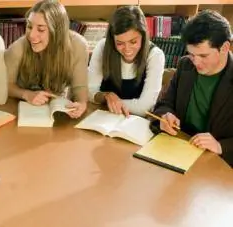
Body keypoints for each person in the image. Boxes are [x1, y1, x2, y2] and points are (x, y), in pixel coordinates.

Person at [151, 10, 233, 167]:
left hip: (218, 167)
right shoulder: (185, 65)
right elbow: (163, 104)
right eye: (191, 54)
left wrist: (220, 146)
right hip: (178, 152)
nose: (195, 62)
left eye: (203, 56)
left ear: (224, 48)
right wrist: (165, 117)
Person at [5, 0, 89, 118]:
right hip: (22, 110)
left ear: (58, 31)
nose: (31, 35)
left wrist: (81, 103)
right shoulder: (17, 48)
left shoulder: (78, 45)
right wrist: (26, 94)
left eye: (41, 29)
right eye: (29, 26)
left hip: (57, 112)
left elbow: (79, 86)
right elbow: (6, 85)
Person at [88, 6, 165, 117]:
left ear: (143, 37)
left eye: (133, 42)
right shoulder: (102, 47)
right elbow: (89, 91)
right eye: (119, 43)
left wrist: (109, 102)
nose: (127, 49)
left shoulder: (155, 55)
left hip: (133, 123)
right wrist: (106, 96)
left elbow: (144, 107)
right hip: (102, 118)